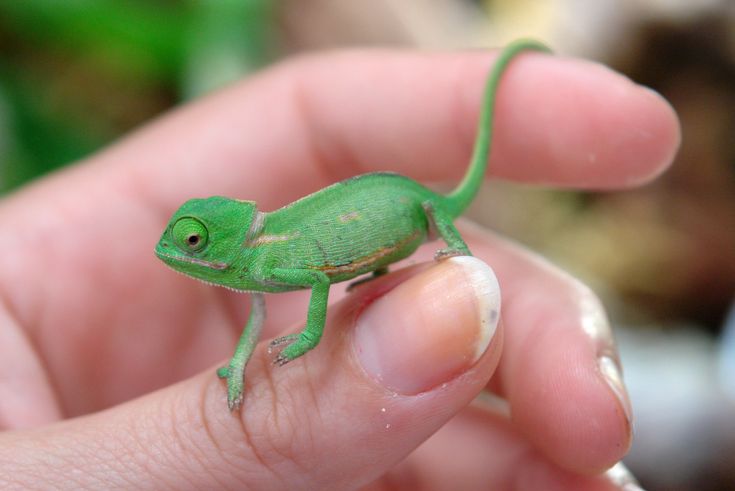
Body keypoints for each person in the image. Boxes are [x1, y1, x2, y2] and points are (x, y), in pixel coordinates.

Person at [0, 48, 679, 489]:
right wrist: (240, 366)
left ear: (224, 242)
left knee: (445, 267)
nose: (185, 257)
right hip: (378, 238)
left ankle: (454, 254)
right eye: (192, 242)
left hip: (412, 215)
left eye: (197, 242)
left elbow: (318, 279)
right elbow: (258, 312)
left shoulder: (268, 253)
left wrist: (312, 338)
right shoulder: (249, 271)